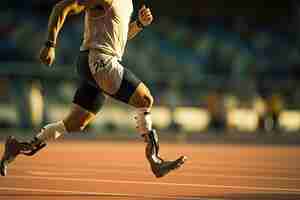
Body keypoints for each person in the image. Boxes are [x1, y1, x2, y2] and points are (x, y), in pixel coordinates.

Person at [0, 0, 186, 178]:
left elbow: (119, 39)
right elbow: (61, 7)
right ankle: (154, 160)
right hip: (98, 60)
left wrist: (139, 24)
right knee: (145, 100)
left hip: (97, 63)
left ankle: (19, 147)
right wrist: (50, 44)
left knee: (75, 123)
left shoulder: (127, 2)